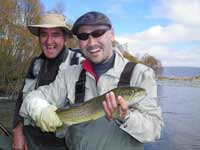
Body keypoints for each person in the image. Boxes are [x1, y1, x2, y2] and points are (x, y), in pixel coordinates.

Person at [19, 11, 163, 150]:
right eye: (83, 36)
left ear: (112, 34)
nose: (91, 42)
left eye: (98, 33)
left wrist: (126, 117)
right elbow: (31, 97)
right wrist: (40, 109)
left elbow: (154, 131)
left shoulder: (141, 74)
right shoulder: (69, 74)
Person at [12, 12, 84, 150]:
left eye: (55, 34)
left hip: (65, 143)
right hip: (31, 136)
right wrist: (17, 130)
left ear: (65, 38)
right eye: (44, 34)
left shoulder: (79, 64)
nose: (49, 41)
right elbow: (22, 97)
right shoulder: (36, 64)